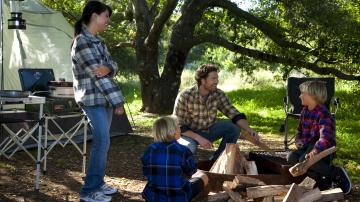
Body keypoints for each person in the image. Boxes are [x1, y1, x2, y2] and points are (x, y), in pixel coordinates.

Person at [71, 1, 124, 201]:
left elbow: (113, 66)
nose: (108, 21)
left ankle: (98, 183)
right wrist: (118, 102)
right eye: (106, 16)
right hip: (92, 98)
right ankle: (89, 191)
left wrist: (109, 68)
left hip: (103, 98)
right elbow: (98, 76)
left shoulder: (99, 42)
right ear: (94, 15)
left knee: (104, 142)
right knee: (102, 141)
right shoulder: (82, 42)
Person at [173, 64, 258, 161]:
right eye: (213, 78)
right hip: (187, 134)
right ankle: (185, 171)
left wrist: (249, 129)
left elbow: (234, 113)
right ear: (203, 80)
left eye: (217, 78)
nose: (217, 81)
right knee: (188, 148)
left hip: (208, 131)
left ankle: (216, 160)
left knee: (234, 127)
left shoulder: (218, 94)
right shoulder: (185, 95)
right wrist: (198, 138)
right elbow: (178, 125)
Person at [287, 80, 352, 194]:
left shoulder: (323, 113)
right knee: (291, 157)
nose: (299, 95)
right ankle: (320, 179)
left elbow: (325, 137)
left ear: (312, 95)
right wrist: (299, 140)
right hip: (307, 147)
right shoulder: (304, 111)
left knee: (304, 160)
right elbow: (299, 131)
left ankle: (336, 173)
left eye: (302, 93)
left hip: (324, 149)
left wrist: (316, 150)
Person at [141, 116, 209, 202]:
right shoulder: (182, 150)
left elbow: (146, 171)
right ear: (174, 131)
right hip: (179, 197)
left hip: (153, 196)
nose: (180, 128)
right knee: (203, 176)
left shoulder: (149, 149)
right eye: (178, 126)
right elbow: (191, 171)